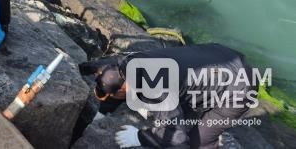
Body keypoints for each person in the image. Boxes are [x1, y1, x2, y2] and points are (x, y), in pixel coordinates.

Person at [92, 43, 258, 149]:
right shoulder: (129, 61)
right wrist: (102, 112)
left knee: (199, 141)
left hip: (239, 88)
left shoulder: (155, 91)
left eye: (111, 95)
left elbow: (176, 136)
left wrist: (141, 137)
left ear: (124, 90)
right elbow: (114, 85)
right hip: (221, 54)